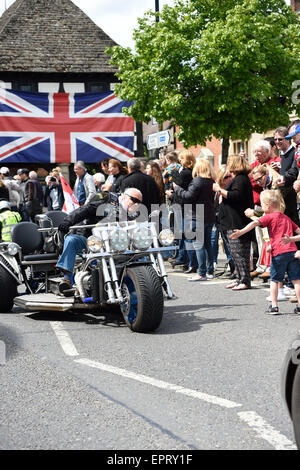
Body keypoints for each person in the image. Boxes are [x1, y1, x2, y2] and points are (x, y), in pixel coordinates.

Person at [56, 188, 143, 293]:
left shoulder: (135, 214)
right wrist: (68, 221)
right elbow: (86, 209)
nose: (136, 204)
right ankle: (66, 278)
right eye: (134, 200)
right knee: (71, 240)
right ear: (124, 196)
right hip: (94, 242)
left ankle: (147, 280)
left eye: (139, 202)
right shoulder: (107, 204)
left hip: (119, 246)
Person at [230, 189, 300, 315]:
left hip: (279, 253)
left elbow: (254, 223)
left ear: (268, 206)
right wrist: (292, 240)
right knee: (296, 280)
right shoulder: (286, 218)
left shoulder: (268, 217)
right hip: (292, 251)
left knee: (274, 280)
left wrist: (241, 232)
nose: (261, 207)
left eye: (262, 205)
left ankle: (274, 306)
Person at [213, 155, 254, 290]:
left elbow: (235, 196)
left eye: (229, 162)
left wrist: (219, 190)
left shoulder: (241, 179)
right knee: (234, 252)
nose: (228, 165)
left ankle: (245, 281)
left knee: (240, 252)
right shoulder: (238, 179)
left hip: (237, 221)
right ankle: (238, 278)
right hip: (229, 221)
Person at [172, 158, 216, 281]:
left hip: (197, 216)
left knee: (198, 245)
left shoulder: (197, 181)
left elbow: (188, 196)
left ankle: (201, 273)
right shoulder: (211, 181)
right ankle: (210, 271)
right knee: (208, 245)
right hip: (209, 215)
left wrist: (177, 189)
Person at [166, 150, 196, 272]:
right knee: (185, 235)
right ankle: (188, 262)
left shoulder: (185, 173)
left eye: (182, 159)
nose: (180, 161)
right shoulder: (188, 172)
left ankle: (190, 262)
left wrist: (170, 194)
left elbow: (176, 188)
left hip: (183, 207)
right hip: (185, 207)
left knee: (186, 235)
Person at [213, 165, 234, 275]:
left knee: (230, 245)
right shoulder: (217, 190)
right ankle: (230, 266)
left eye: (229, 176)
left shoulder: (229, 190)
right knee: (224, 244)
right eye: (226, 177)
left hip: (229, 222)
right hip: (219, 220)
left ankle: (233, 266)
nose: (229, 179)